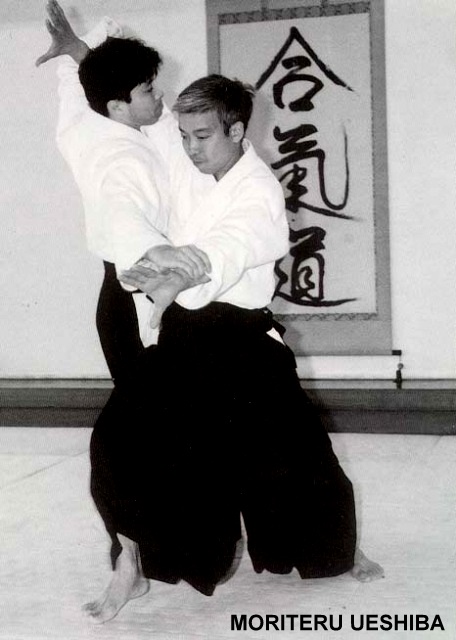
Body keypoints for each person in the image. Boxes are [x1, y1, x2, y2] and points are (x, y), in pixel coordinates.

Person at [86, 74, 384, 625]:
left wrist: (184, 273)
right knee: (117, 439)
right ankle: (129, 563)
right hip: (183, 335)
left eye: (202, 136)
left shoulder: (259, 190)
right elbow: (142, 128)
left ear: (237, 130)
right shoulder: (188, 161)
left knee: (297, 455)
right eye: (185, 136)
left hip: (241, 338)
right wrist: (90, 60)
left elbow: (235, 243)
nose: (190, 148)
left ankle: (338, 550)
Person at [36, 0, 210, 384]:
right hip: (132, 297)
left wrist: (78, 51)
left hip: (130, 295)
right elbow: (123, 213)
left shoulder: (93, 122)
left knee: (151, 408)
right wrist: (157, 249)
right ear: (118, 106)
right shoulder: (121, 161)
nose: (160, 95)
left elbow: (85, 84)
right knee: (147, 407)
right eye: (148, 89)